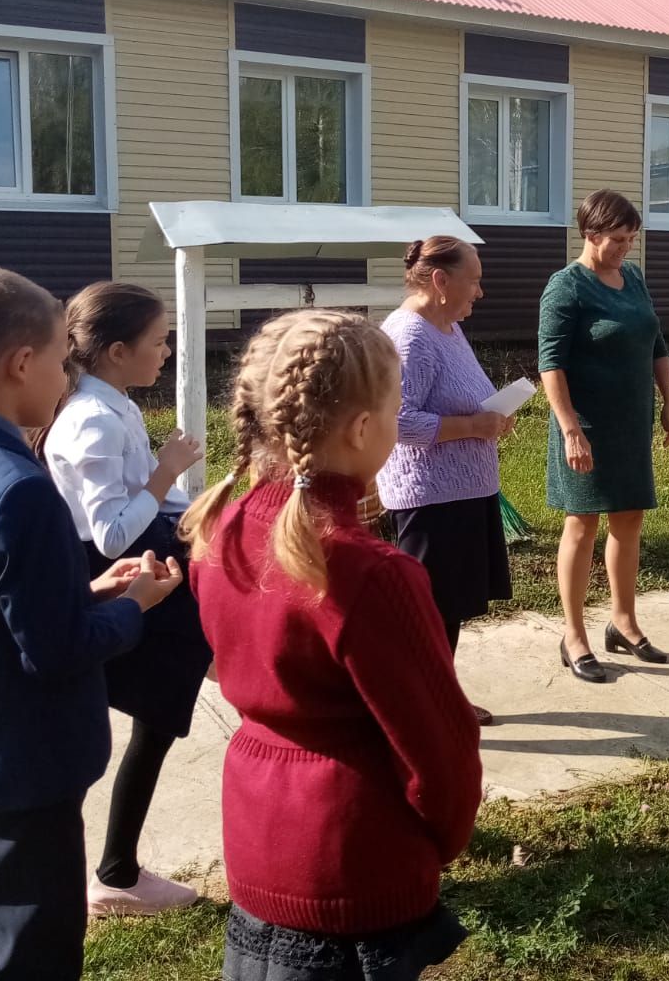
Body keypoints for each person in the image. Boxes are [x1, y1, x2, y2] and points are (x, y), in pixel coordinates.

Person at [181, 310, 482, 981]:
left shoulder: (219, 531)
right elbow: (442, 748)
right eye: (396, 399)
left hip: (258, 839)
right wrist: (443, 839)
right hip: (354, 862)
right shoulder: (371, 572)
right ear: (363, 428)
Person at [0, 267, 182, 981]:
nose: (67, 375)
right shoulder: (21, 491)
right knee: (35, 952)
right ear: (21, 364)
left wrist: (85, 588)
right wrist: (132, 607)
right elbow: (55, 652)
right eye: (61, 359)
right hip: (28, 770)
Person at [40, 281, 212, 915]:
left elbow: (141, 499)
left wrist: (195, 504)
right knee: (156, 720)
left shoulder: (114, 404)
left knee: (160, 718)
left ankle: (116, 867)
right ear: (116, 350)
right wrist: (168, 473)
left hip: (143, 563)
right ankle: (115, 873)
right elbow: (113, 532)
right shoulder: (91, 419)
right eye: (158, 340)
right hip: (125, 577)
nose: (165, 350)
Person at [538, 190, 669, 682]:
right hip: (587, 428)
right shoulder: (566, 288)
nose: (626, 248)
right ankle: (573, 635)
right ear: (591, 234)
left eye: (631, 239)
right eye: (618, 239)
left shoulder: (633, 278)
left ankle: (623, 622)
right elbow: (550, 363)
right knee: (582, 524)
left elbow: (655, 342)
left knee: (629, 519)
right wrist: (570, 427)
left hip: (630, 424)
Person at [379, 237, 514, 727]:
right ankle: (415, 711)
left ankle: (439, 695)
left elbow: (459, 397)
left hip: (464, 490)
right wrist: (472, 426)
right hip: (430, 498)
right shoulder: (408, 337)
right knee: (427, 615)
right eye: (473, 279)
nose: (479, 291)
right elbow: (393, 422)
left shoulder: (448, 328)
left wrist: (492, 416)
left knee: (448, 609)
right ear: (440, 281)